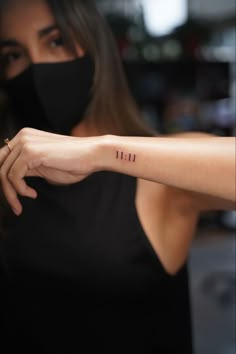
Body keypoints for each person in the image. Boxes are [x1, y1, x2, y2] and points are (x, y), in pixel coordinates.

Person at [0, 1, 235, 353]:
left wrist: (101, 151)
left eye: (56, 41)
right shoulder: (8, 174)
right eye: (12, 56)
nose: (36, 67)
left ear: (96, 47)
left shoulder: (157, 177)